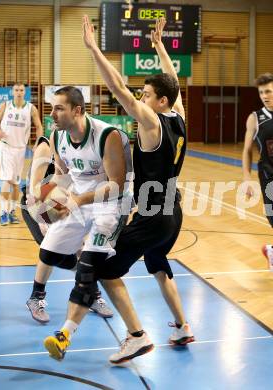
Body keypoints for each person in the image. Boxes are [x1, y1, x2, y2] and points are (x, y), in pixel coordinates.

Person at [43, 16, 194, 364]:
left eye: (147, 95)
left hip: (154, 214)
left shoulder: (153, 123)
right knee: (158, 264)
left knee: (106, 270)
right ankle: (183, 326)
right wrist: (159, 47)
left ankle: (137, 337)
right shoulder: (178, 115)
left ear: (159, 102)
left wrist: (94, 49)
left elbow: (119, 89)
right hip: (174, 213)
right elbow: (176, 86)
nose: (141, 98)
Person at [30, 86, 153, 363]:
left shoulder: (107, 136)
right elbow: (62, 174)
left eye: (59, 108)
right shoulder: (57, 136)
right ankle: (91, 275)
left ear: (78, 110)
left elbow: (117, 184)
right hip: (80, 200)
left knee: (86, 268)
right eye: (51, 109)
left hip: (111, 204)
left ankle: (64, 334)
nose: (53, 115)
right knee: (48, 253)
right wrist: (45, 202)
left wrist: (77, 200)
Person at [21, 136, 114, 320]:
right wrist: (41, 219)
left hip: (61, 204)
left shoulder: (75, 153)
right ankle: (36, 297)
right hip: (35, 207)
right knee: (51, 252)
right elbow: (33, 190)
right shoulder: (45, 147)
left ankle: (92, 295)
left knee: (81, 251)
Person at [0, 82, 43, 226]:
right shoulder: (5, 105)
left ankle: (11, 212)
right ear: (12, 92)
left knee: (16, 183)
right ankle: (3, 212)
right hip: (6, 147)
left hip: (20, 149)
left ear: (25, 92)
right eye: (16, 90)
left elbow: (39, 126)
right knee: (6, 179)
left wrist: (38, 142)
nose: (19, 92)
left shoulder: (31, 108)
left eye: (21, 90)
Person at [242, 72, 273, 271]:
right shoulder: (255, 118)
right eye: (261, 92)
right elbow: (246, 150)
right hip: (268, 175)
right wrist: (247, 178)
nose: (264, 95)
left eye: (268, 91)